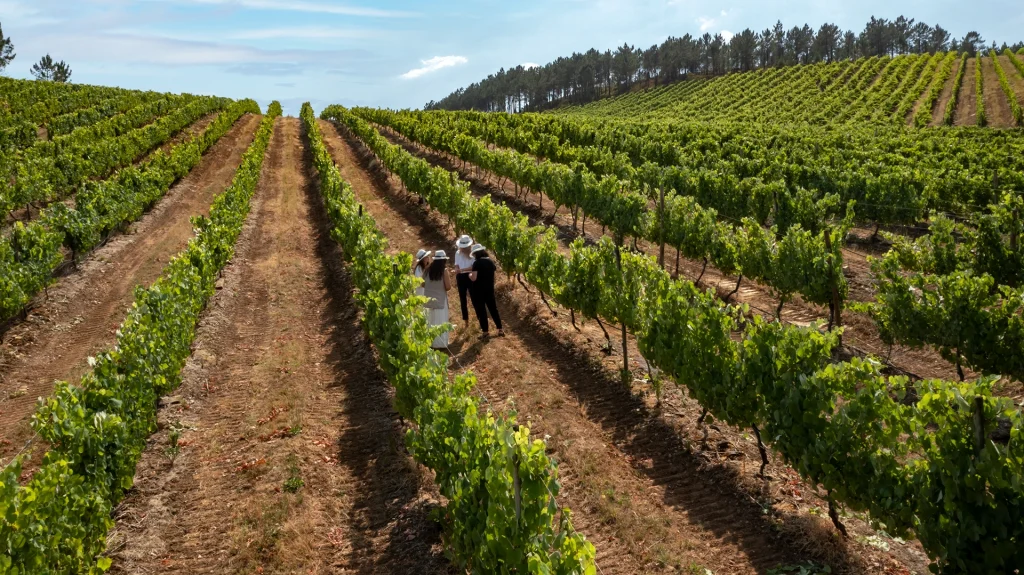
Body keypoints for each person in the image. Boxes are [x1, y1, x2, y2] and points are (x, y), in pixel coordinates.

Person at [468, 244, 504, 337]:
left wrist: (469, 275)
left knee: (481, 310)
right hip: (489, 289)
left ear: (475, 254)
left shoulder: (476, 263)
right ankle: (500, 329)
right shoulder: (490, 262)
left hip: (478, 291)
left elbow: (474, 278)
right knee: (493, 309)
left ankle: (485, 332)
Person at [422, 250, 453, 349]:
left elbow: (422, 284)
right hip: (440, 300)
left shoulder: (427, 270)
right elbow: (448, 287)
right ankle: (440, 344)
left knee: (430, 321)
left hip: (428, 300)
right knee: (440, 322)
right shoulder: (443, 271)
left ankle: (429, 342)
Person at [454, 234, 476, 326]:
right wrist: (456, 270)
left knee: (474, 297)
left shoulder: (473, 254)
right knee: (462, 299)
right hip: (460, 276)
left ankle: (479, 316)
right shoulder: (457, 253)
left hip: (470, 276)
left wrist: (461, 270)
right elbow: (456, 264)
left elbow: (473, 267)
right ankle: (466, 320)